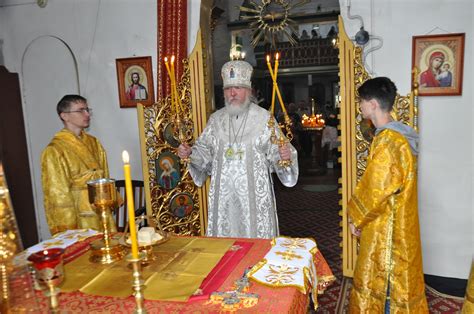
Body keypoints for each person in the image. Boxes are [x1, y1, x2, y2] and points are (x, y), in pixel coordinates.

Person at [177, 60, 299, 239]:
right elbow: (203, 152)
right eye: (227, 89)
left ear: (248, 91)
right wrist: (190, 154)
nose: (232, 93)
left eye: (237, 88)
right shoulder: (216, 120)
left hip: (254, 202)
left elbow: (278, 151)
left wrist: (284, 156)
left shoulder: (264, 118)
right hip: (223, 200)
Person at [347, 77, 428, 312]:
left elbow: (376, 189)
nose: (359, 106)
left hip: (388, 227)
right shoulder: (397, 135)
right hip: (400, 220)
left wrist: (356, 218)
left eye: (361, 101)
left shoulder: (388, 142)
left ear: (372, 104)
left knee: (388, 287)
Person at [41, 95, 116, 235]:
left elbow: (104, 174)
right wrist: (67, 227)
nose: (87, 114)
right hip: (79, 214)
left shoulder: (94, 142)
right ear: (65, 116)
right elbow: (57, 193)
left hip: (101, 207)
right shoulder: (54, 150)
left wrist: (110, 200)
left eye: (87, 109)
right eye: (80, 110)